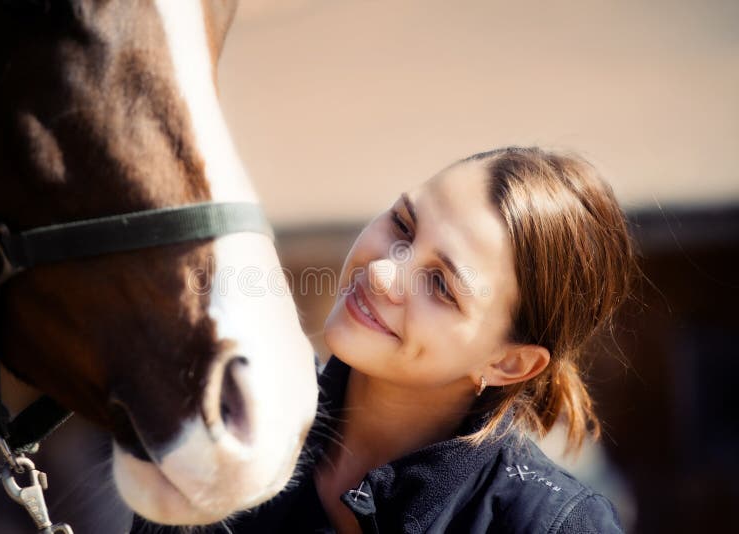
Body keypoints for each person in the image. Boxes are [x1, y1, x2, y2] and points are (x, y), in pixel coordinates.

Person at [134, 146, 635, 533]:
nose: (381, 274)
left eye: (440, 285)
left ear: (509, 362)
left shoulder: (548, 524)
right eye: (402, 224)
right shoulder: (226, 427)